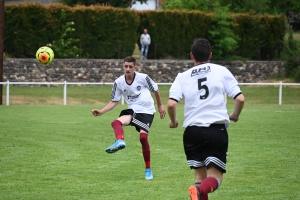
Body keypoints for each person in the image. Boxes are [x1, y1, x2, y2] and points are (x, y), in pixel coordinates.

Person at [167, 38, 245, 200]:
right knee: (215, 178)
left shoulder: (182, 76)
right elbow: (240, 99)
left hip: (192, 131)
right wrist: (235, 115)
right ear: (210, 55)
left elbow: (171, 104)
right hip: (215, 129)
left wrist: (173, 121)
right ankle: (199, 191)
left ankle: (198, 190)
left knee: (199, 179)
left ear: (191, 55)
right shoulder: (220, 70)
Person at [91, 56, 166, 180]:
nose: (128, 69)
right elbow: (114, 101)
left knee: (143, 138)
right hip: (133, 111)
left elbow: (156, 90)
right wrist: (101, 112)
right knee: (115, 122)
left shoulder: (143, 78)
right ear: (123, 67)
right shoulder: (119, 82)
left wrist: (160, 105)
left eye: (130, 67)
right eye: (126, 66)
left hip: (147, 112)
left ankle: (148, 169)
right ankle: (120, 141)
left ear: (135, 68)